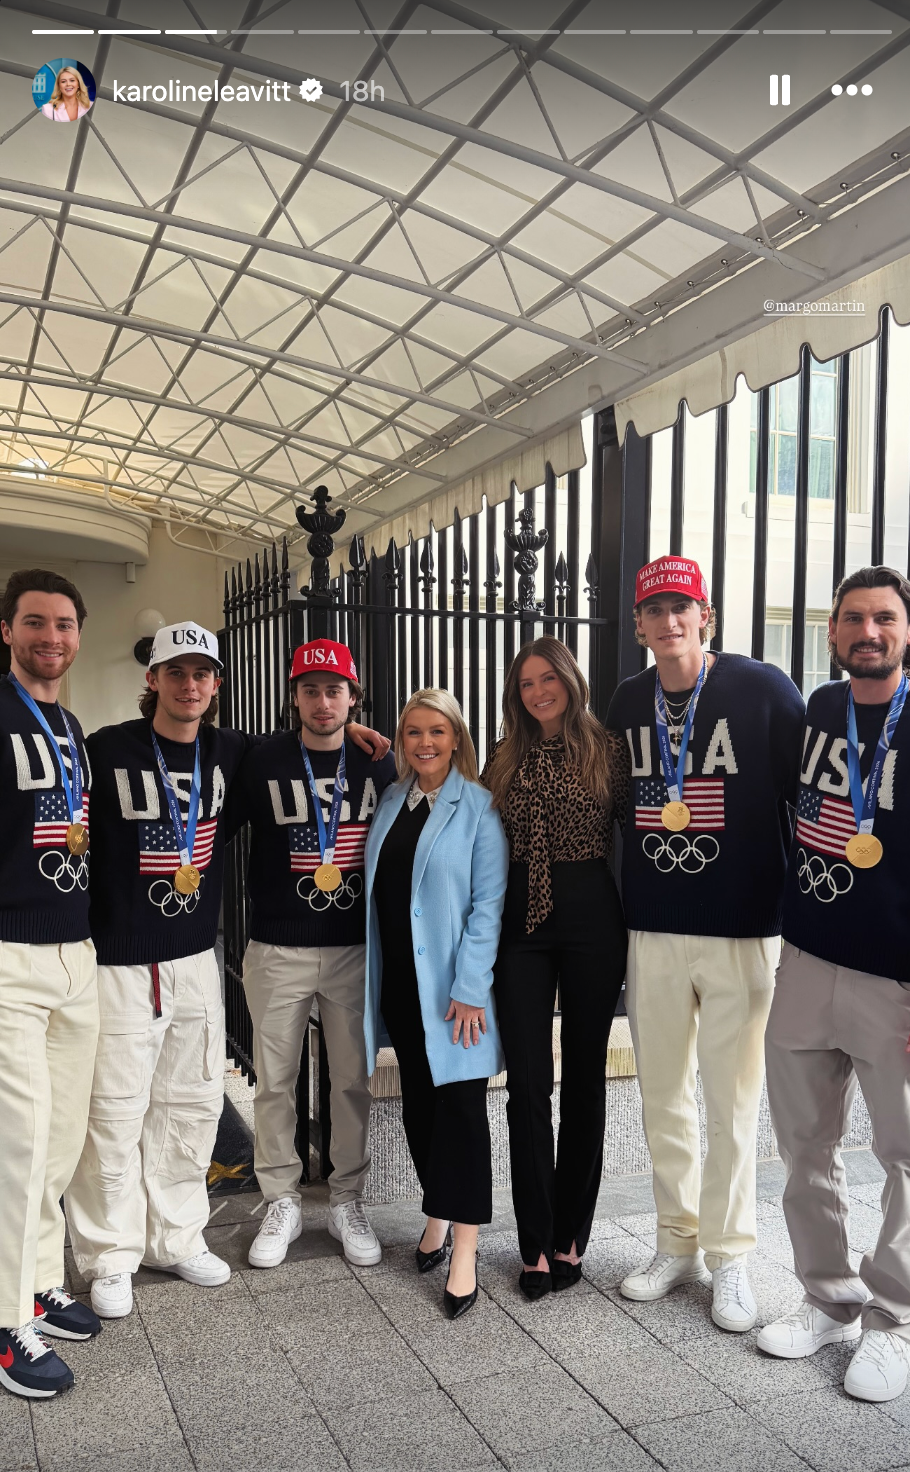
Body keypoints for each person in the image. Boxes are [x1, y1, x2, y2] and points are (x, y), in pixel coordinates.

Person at [607, 555, 805, 1332]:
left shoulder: (762, 688)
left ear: (706, 615)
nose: (668, 622)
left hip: (743, 928)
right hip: (654, 926)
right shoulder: (628, 700)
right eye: (653, 611)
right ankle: (674, 1242)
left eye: (680, 607)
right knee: (662, 1098)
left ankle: (730, 1258)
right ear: (639, 625)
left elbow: (811, 790)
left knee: (731, 1101)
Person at [65, 622, 253, 1320]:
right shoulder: (106, 749)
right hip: (119, 960)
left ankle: (175, 1237)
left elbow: (307, 757)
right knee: (112, 1112)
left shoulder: (230, 751)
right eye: (176, 671)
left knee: (191, 1103)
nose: (189, 684)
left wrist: (365, 740)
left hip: (194, 959)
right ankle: (109, 1255)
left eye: (202, 673)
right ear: (153, 678)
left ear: (217, 684)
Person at [760, 566, 910, 1402]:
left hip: (896, 979)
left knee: (906, 1157)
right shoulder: (821, 708)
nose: (869, 633)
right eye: (855, 619)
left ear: (906, 631)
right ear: (832, 631)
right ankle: (831, 1299)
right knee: (804, 1147)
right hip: (810, 959)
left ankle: (896, 1321)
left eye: (884, 619)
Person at [229, 639, 396, 1270]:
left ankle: (348, 1198)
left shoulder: (378, 763)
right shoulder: (263, 760)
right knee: (276, 1080)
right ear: (293, 696)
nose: (322, 702)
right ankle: (282, 1199)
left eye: (334, 690)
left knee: (352, 1080)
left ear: (353, 696)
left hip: (354, 947)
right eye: (310, 689)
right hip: (277, 946)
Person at [483, 636, 629, 1299]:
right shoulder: (503, 757)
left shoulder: (608, 750)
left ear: (570, 679)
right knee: (528, 1087)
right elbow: (476, 833)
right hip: (521, 927)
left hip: (593, 918)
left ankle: (573, 1232)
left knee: (585, 1085)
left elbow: (643, 834)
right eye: (525, 683)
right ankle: (535, 1240)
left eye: (549, 678)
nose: (538, 691)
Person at [364, 689, 508, 1318]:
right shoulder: (392, 801)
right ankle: (436, 1214)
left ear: (457, 740)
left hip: (455, 996)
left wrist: (471, 988)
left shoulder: (478, 808)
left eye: (437, 732)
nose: (425, 743)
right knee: (420, 1112)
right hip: (400, 986)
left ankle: (466, 1251)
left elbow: (488, 907)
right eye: (413, 732)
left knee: (461, 1116)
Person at [0, 569, 101, 1400]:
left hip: (75, 954)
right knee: (16, 1144)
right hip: (9, 956)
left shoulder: (68, 726)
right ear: (7, 631)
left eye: (64, 624)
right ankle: (4, 1326)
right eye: (35, 623)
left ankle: (35, 1279)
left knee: (60, 1139)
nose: (52, 637)